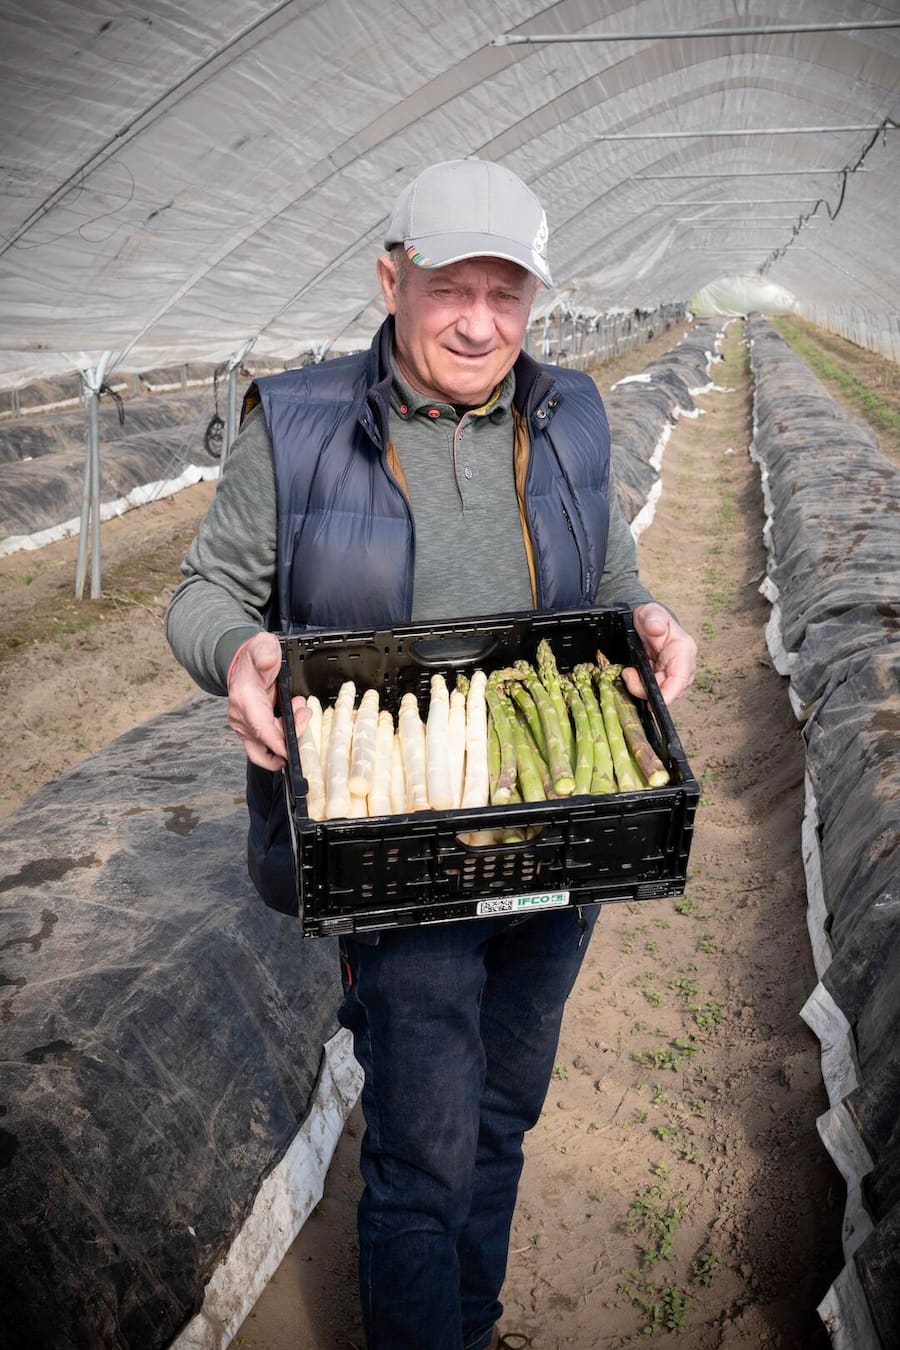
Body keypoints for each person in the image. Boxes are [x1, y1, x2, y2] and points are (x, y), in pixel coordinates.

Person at [166, 157, 696, 1350]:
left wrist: (651, 617)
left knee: (504, 1112)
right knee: (423, 1142)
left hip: (560, 836)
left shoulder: (572, 417)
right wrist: (239, 653)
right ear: (391, 278)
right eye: (451, 287)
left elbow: (612, 577)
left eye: (507, 295)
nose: (479, 322)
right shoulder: (297, 426)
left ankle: (472, 1320)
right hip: (396, 842)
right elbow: (202, 592)